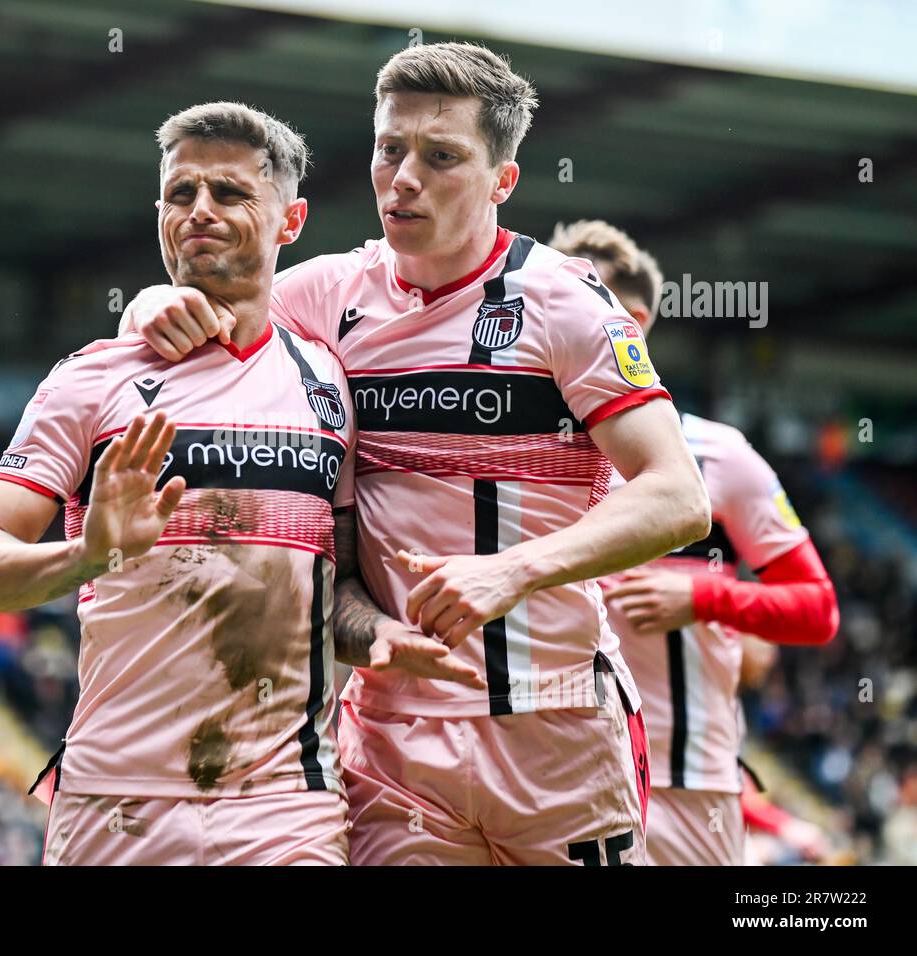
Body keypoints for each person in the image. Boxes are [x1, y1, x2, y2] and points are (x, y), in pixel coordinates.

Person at [120, 43, 711, 865]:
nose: (403, 178)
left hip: (554, 725)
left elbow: (678, 497)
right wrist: (153, 303)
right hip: (392, 736)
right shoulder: (324, 297)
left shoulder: (564, 302)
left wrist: (515, 570)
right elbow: (204, 315)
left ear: (503, 181)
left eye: (441, 158)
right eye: (389, 149)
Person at [0, 102, 363, 865]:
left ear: (290, 220)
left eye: (231, 193)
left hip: (284, 807)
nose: (199, 211)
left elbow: (344, 590)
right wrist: (85, 558)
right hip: (113, 805)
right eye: (180, 193)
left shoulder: (329, 380)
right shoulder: (89, 379)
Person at [549, 218, 839, 865]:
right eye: (549, 299)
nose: (559, 317)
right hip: (552, 778)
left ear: (637, 320)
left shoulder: (716, 455)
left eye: (581, 298)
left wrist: (707, 596)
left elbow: (816, 609)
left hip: (688, 792)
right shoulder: (522, 457)